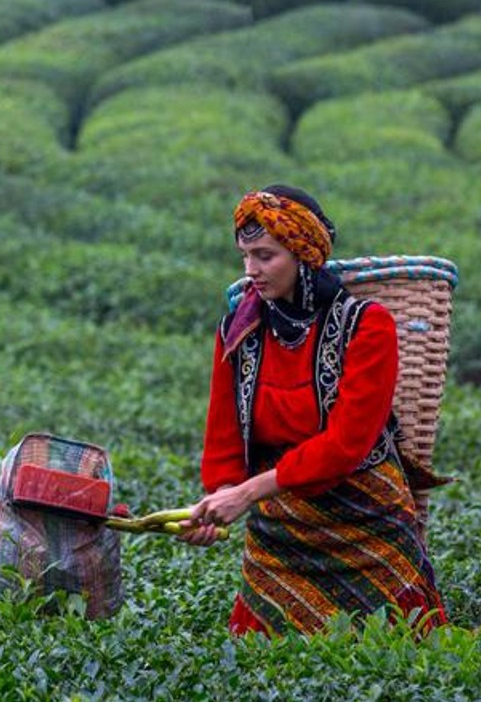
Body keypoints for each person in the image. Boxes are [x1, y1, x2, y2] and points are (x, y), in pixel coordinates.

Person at [177, 184, 449, 637]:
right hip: (280, 533)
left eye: (265, 256)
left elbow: (346, 445)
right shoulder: (238, 331)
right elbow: (223, 435)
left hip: (366, 522)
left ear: (303, 253)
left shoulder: (367, 325)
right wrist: (218, 498)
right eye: (245, 256)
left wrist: (246, 494)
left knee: (398, 651)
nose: (251, 271)